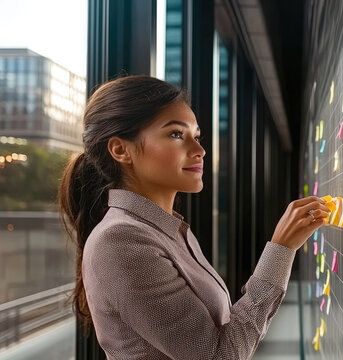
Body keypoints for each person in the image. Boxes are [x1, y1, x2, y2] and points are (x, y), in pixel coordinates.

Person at [58, 75, 329, 359]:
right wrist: (281, 249)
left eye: (196, 136)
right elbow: (217, 355)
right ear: (120, 150)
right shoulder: (120, 241)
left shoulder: (164, 229)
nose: (199, 150)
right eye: (176, 134)